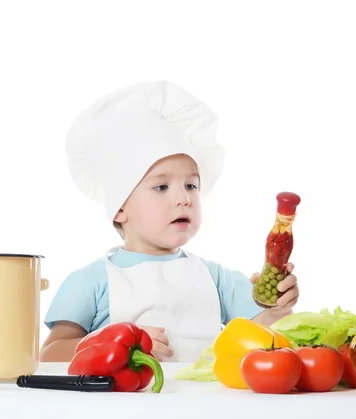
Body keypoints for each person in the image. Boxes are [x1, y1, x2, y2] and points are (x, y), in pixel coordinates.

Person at [40, 80, 299, 363]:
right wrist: (120, 343)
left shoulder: (214, 278)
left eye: (191, 186)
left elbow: (263, 333)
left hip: (207, 406)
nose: (183, 198)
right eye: (161, 187)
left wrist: (278, 307)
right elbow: (51, 353)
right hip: (122, 406)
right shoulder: (90, 281)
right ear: (119, 208)